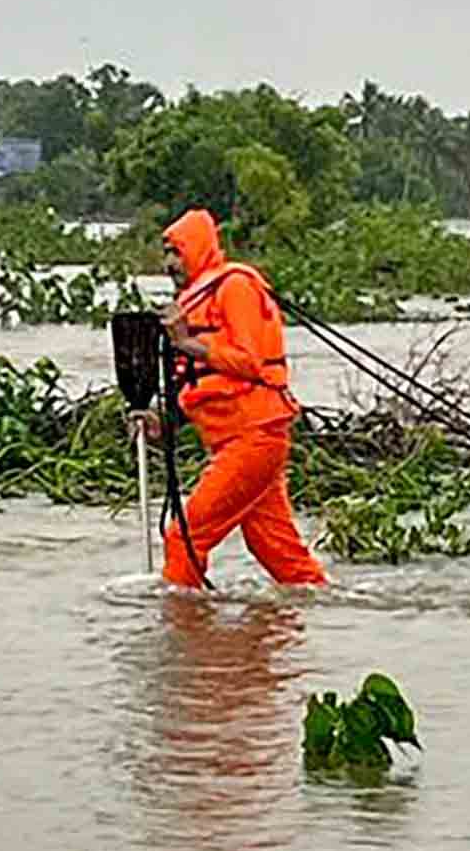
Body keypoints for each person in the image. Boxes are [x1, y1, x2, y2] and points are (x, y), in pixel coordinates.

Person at [135, 208, 329, 588]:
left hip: (255, 436)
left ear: (198, 248)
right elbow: (201, 386)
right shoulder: (191, 303)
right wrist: (159, 419)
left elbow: (250, 361)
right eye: (166, 254)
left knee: (183, 539)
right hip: (234, 439)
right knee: (276, 551)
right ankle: (324, 618)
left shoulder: (235, 286)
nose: (169, 263)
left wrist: (189, 344)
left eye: (176, 252)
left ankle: (181, 635)